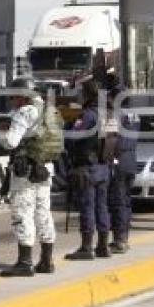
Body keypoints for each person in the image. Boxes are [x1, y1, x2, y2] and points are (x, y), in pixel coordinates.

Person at [0, 77, 62, 277]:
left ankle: (25, 262)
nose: (12, 101)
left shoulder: (25, 111)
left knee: (23, 213)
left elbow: (10, 142)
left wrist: (2, 132)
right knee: (43, 212)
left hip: (26, 172)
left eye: (14, 97)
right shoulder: (50, 111)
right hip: (45, 167)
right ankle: (46, 260)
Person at [65, 80, 112, 260]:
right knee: (102, 207)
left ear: (86, 94)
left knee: (87, 206)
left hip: (87, 166)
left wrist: (69, 122)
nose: (77, 96)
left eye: (80, 93)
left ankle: (86, 247)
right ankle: (103, 246)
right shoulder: (107, 114)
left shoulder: (86, 115)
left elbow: (72, 138)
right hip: (104, 166)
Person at [105, 88, 138, 254]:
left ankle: (119, 240)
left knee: (117, 201)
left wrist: (107, 159)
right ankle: (124, 237)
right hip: (131, 159)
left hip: (118, 160)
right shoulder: (134, 114)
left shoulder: (115, 115)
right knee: (126, 201)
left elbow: (111, 139)